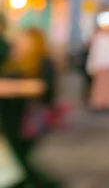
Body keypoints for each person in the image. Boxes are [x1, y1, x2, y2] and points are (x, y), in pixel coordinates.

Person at [0, 28, 61, 187]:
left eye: (23, 40)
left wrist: (9, 88)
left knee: (19, 155)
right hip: (10, 115)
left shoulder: (42, 61)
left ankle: (42, 183)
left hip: (28, 117)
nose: (18, 42)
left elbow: (43, 86)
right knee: (17, 155)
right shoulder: (14, 60)